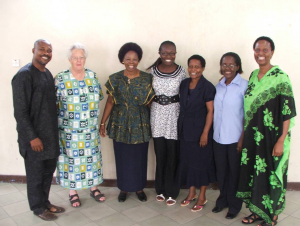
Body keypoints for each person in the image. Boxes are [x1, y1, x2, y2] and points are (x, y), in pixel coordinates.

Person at [236, 37, 296, 226]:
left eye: (265, 50)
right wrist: (243, 137)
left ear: (272, 52)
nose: (260, 53)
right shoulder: (253, 76)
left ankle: (272, 215)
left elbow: (288, 111)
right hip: (253, 137)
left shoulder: (280, 76)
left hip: (272, 138)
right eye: (257, 50)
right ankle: (257, 212)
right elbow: (247, 109)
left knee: (271, 175)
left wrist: (281, 140)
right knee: (255, 175)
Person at [12, 39, 65, 221]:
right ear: (33, 50)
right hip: (34, 139)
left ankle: (45, 202)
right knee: (35, 175)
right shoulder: (24, 75)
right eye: (42, 49)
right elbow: (20, 111)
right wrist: (32, 137)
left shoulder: (47, 73)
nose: (46, 53)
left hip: (50, 136)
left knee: (47, 173)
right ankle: (37, 207)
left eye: (49, 50)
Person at [100, 42, 155, 203]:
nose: (132, 62)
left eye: (135, 59)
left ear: (139, 60)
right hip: (120, 124)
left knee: (139, 157)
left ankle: (139, 188)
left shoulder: (147, 79)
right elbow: (110, 102)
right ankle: (123, 188)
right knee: (122, 157)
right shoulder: (115, 78)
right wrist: (103, 123)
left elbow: (152, 103)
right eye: (128, 59)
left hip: (140, 124)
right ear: (122, 60)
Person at [55, 42, 105, 207]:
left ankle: (94, 188)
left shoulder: (92, 76)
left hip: (89, 129)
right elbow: (53, 104)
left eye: (81, 57)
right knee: (71, 161)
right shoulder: (61, 78)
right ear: (69, 59)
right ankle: (73, 192)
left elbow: (98, 97)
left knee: (91, 159)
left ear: (85, 59)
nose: (78, 60)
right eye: (75, 57)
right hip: (69, 130)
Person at [148, 41, 187, 206]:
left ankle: (172, 191)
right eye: (165, 53)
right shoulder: (152, 72)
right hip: (157, 116)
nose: (168, 56)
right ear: (159, 53)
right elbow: (148, 94)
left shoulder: (181, 72)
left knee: (173, 155)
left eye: (172, 53)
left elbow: (187, 92)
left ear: (176, 53)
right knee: (160, 154)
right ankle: (161, 189)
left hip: (173, 116)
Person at [177, 55, 216, 211]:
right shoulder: (184, 83)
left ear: (203, 68)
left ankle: (202, 196)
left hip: (200, 131)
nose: (193, 70)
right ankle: (192, 193)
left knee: (201, 164)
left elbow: (210, 111)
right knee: (188, 162)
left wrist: (205, 133)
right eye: (191, 66)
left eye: (197, 67)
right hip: (185, 130)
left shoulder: (208, 87)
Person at [212, 52, 248, 219]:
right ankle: (222, 200)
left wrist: (242, 138)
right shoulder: (219, 85)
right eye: (224, 65)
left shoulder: (244, 86)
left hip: (235, 139)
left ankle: (234, 205)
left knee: (234, 173)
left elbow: (248, 115)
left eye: (231, 65)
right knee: (222, 172)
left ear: (237, 67)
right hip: (218, 138)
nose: (227, 68)